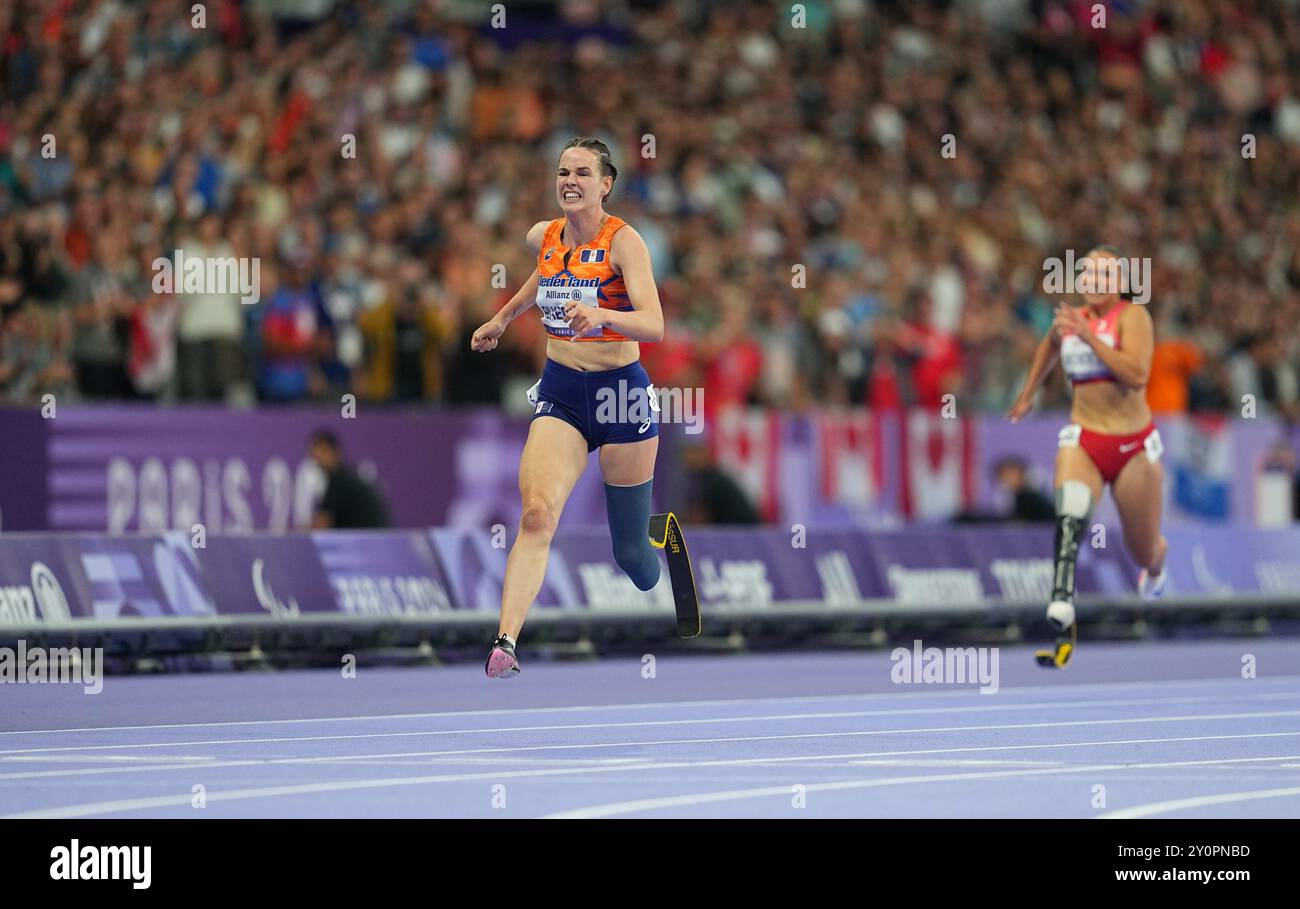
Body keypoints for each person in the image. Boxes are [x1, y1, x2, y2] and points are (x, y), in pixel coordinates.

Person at [470, 137, 666, 679]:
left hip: (621, 393)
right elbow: (545, 278)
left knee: (631, 557)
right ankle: (506, 640)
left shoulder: (627, 244)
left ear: (606, 184)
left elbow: (655, 324)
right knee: (536, 514)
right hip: (562, 391)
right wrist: (503, 318)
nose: (570, 181)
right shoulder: (545, 234)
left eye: (583, 172)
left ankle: (662, 547)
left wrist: (602, 314)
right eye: (562, 172)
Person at [1007, 246, 1168, 661]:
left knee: (1142, 550)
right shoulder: (1070, 321)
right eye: (1089, 275)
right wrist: (1028, 395)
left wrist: (1088, 337)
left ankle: (1157, 563)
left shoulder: (1134, 317)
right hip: (1085, 437)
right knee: (1071, 508)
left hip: (1132, 446)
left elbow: (1136, 375)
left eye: (1105, 275)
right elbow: (1048, 348)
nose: (1095, 283)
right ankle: (1061, 596)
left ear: (1119, 281)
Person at [308, 429, 391, 529]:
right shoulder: (346, 478)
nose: (318, 457)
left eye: (323, 451)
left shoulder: (339, 482)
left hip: (370, 541)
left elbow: (320, 527)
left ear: (335, 451)